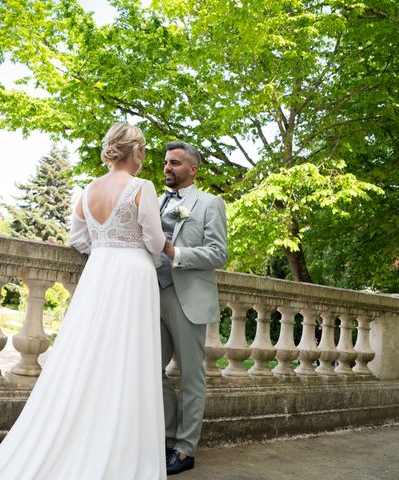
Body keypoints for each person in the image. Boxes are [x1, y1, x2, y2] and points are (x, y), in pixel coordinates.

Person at [0, 123, 167, 479]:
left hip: (99, 271)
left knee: (87, 353)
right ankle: (119, 450)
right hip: (134, 274)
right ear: (135, 151)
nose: (144, 157)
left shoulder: (88, 190)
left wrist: (105, 249)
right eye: (143, 150)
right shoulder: (142, 188)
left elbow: (78, 239)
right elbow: (154, 242)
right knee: (128, 356)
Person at [157, 141, 228, 475]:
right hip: (151, 295)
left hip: (187, 298)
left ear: (193, 169)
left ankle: (185, 450)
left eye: (176, 163)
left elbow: (218, 253)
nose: (168, 168)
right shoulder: (154, 202)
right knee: (150, 369)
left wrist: (177, 254)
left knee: (190, 376)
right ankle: (168, 438)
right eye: (166, 162)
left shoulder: (210, 203)